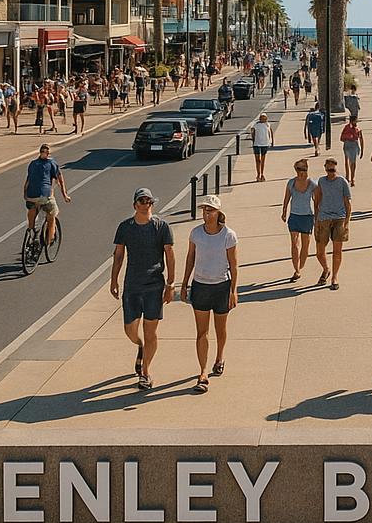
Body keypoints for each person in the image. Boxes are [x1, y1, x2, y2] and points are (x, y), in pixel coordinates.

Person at [110, 187, 176, 391]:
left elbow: (170, 255)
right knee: (130, 329)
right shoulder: (125, 227)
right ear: (135, 205)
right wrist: (114, 280)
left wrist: (170, 284)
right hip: (132, 285)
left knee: (150, 330)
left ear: (152, 204)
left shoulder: (162, 226)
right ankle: (140, 346)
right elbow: (119, 255)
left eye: (148, 201)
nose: (145, 204)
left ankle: (146, 372)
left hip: (154, 286)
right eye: (141, 201)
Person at [181, 195, 238, 392]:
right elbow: (190, 258)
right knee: (201, 332)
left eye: (210, 210)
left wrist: (233, 290)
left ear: (218, 212)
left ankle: (220, 357)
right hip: (201, 286)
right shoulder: (196, 233)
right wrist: (184, 283)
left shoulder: (228, 235)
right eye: (204, 210)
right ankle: (203, 372)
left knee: (220, 330)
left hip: (221, 286)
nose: (207, 213)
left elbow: (234, 264)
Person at [313, 157, 351, 290]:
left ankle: (335, 277)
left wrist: (347, 221)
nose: (331, 171)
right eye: (328, 169)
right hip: (323, 218)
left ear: (336, 168)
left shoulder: (342, 182)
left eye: (333, 169)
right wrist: (316, 221)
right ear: (325, 169)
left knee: (337, 251)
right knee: (319, 251)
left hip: (339, 218)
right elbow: (317, 201)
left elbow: (348, 202)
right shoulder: (321, 182)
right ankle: (326, 269)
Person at [23, 143, 70, 246]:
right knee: (52, 214)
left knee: (32, 209)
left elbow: (27, 182)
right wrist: (65, 195)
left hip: (30, 196)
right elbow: (60, 180)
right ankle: (49, 240)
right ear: (48, 154)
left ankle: (31, 233)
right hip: (45, 195)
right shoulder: (52, 163)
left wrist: (25, 195)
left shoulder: (32, 163)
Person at [282, 159, 317, 282]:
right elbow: (286, 198)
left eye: (304, 170)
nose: (301, 173)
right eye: (299, 170)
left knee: (305, 245)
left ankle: (300, 267)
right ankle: (297, 270)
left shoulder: (312, 184)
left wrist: (317, 217)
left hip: (307, 216)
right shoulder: (291, 183)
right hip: (294, 216)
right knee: (294, 243)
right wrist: (284, 211)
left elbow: (317, 201)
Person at [340, 115, 364, 186]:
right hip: (353, 145)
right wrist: (362, 150)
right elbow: (361, 140)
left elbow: (341, 138)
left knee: (347, 161)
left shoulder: (346, 128)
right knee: (352, 162)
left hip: (346, 144)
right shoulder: (357, 129)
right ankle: (352, 178)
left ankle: (348, 177)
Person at [252, 112, 274, 182]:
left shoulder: (268, 124)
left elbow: (270, 132)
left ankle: (262, 174)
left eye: (264, 118)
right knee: (258, 160)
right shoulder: (256, 125)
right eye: (262, 118)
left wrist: (272, 142)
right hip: (257, 144)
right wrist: (254, 140)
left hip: (265, 144)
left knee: (263, 160)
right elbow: (252, 132)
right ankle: (258, 174)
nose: (263, 119)